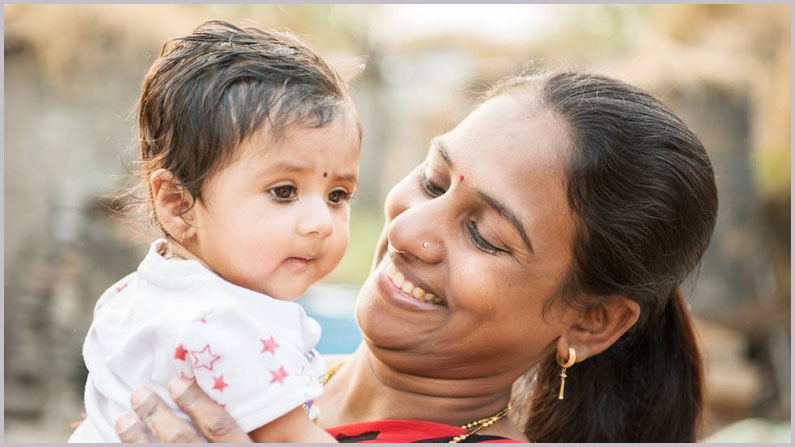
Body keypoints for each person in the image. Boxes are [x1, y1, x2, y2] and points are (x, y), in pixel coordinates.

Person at [112, 69, 718, 443]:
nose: (408, 232)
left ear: (592, 320)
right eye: (432, 180)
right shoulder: (270, 374)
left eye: (484, 235)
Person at [69, 21, 362, 443]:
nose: (320, 221)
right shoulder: (221, 325)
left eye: (338, 195)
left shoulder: (136, 294)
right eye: (284, 191)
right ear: (177, 204)